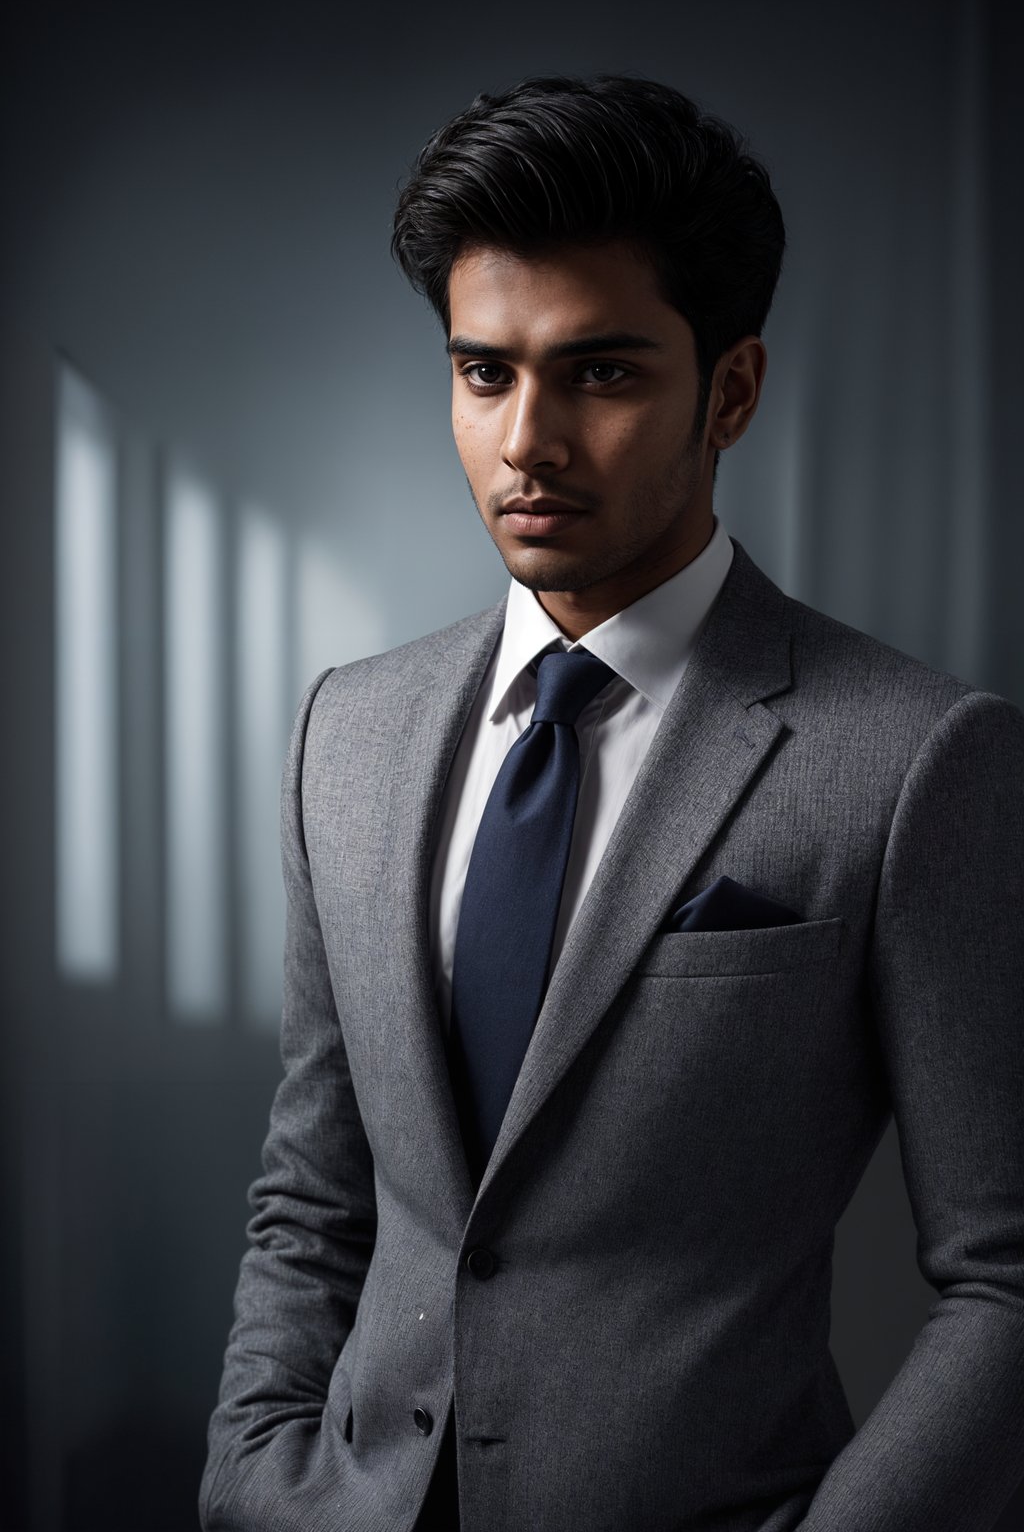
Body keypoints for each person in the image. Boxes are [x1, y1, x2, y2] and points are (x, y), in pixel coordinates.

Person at [200, 75, 1024, 1532]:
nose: (527, 441)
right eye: (484, 373)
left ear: (733, 391)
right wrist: (254, 1477)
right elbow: (314, 1193)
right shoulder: (350, 731)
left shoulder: (914, 760)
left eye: (600, 373)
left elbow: (1006, 1273)